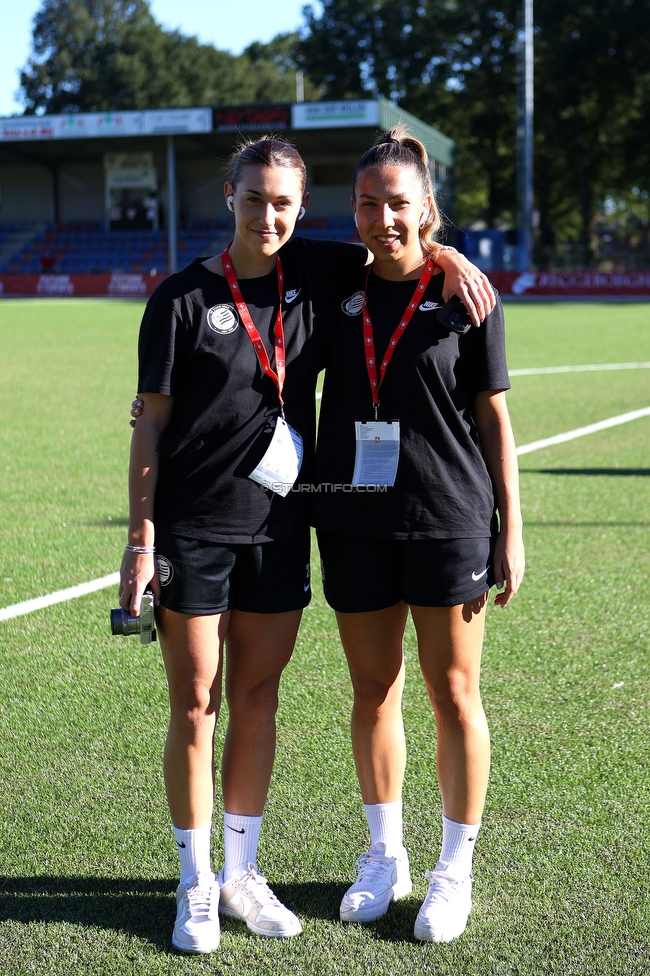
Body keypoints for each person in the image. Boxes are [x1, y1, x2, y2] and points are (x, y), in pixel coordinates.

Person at [123, 135, 494, 954]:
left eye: (283, 202)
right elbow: (149, 418)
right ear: (230, 196)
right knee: (195, 706)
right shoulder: (181, 299)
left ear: (301, 210)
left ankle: (240, 874)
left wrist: (449, 252)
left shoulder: (318, 277)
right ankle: (195, 885)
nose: (267, 214)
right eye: (253, 198)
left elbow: (398, 234)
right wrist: (140, 539)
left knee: (258, 700)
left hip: (284, 525)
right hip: (193, 526)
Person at [312, 126, 525, 943]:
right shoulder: (334, 284)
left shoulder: (468, 295)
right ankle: (384, 853)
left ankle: (454, 870)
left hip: (449, 520)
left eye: (398, 203)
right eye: (368, 203)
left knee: (453, 695)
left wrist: (513, 528)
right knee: (373, 692)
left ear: (426, 206)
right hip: (355, 517)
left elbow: (493, 419)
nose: (382, 218)